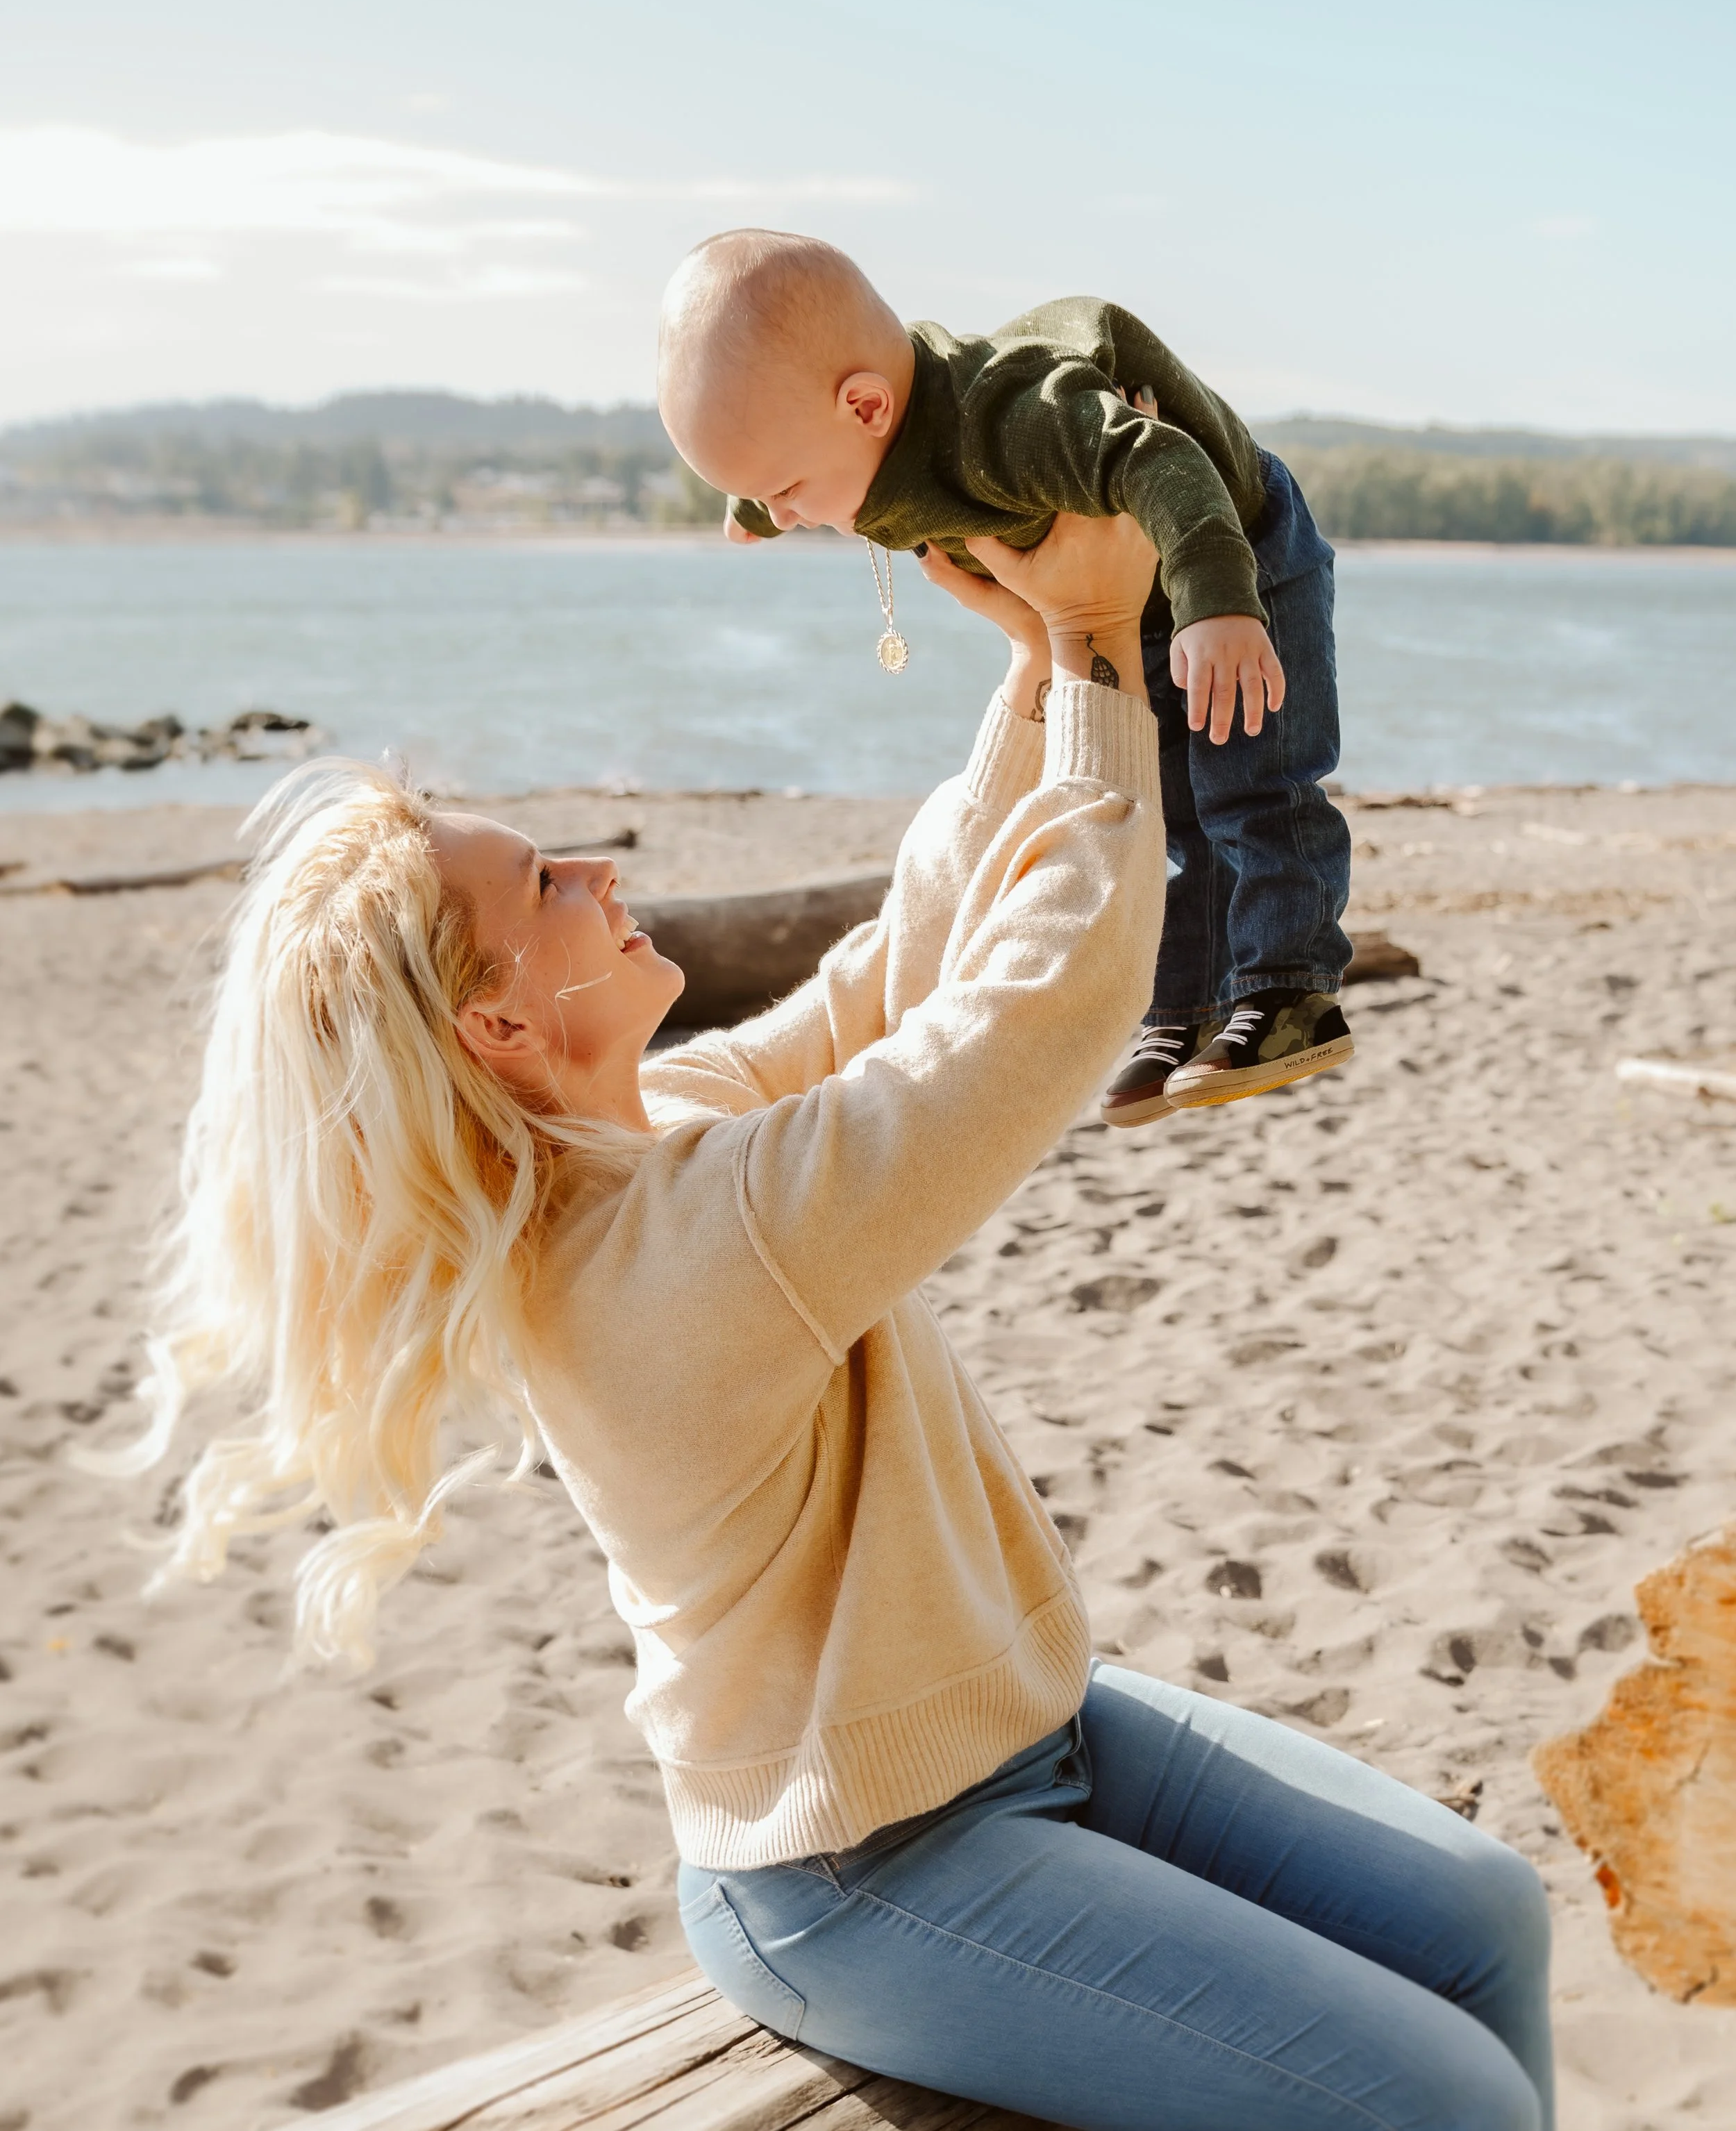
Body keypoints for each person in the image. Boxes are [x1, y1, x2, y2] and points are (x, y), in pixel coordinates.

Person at [99, 512, 1551, 2130]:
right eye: (546, 883)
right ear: (496, 1019)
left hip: (1022, 1715)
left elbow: (886, 979)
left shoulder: (642, 1125)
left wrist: (1038, 666)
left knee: (1485, 1923)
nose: (602, 870)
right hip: (859, 1867)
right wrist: (1106, 678)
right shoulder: (681, 1256)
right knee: (1446, 2107)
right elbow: (1036, 1011)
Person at [657, 228, 1355, 1127]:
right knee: (1172, 810)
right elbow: (780, 422)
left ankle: (1291, 985)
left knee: (1252, 782)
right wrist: (756, 491)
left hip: (1235, 553)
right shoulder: (852, 435)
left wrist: (1222, 601)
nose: (784, 517)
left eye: (785, 490)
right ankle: (1185, 1010)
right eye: (764, 499)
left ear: (867, 407)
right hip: (1134, 588)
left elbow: (1161, 460)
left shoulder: (1013, 421)